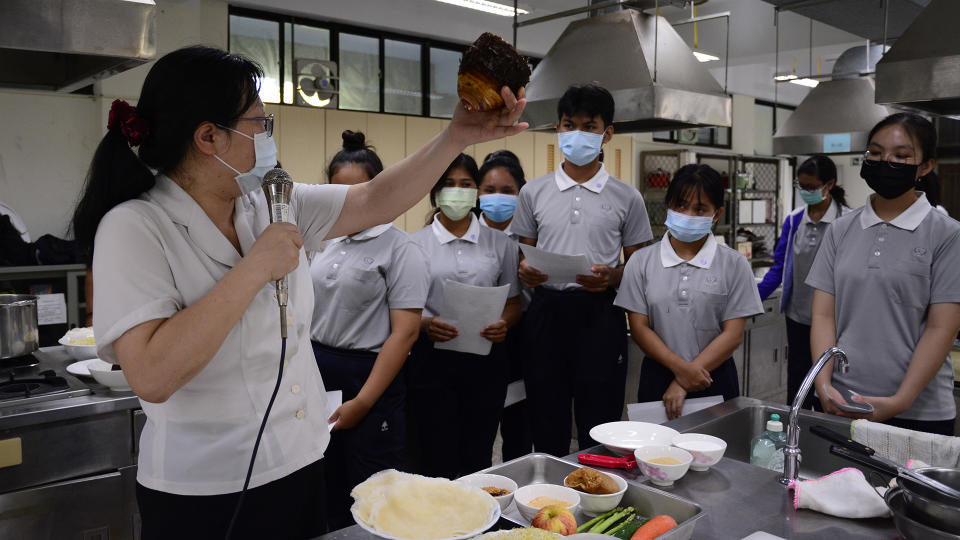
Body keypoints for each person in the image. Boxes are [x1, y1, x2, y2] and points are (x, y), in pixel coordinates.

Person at [71, 45, 526, 540]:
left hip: (300, 459)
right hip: (204, 489)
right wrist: (254, 269)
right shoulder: (136, 226)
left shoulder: (268, 200)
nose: (267, 139)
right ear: (208, 137)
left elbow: (375, 198)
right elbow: (153, 375)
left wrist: (456, 135)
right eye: (258, 124)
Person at [512, 84, 653, 456]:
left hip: (599, 313)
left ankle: (599, 494)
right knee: (546, 416)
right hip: (545, 312)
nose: (577, 134)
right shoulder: (533, 193)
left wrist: (612, 276)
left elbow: (638, 267)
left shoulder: (627, 197)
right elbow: (522, 255)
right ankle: (549, 497)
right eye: (568, 124)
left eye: (589, 126)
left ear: (608, 133)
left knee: (601, 420)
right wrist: (526, 271)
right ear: (557, 129)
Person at [807, 113, 960, 436]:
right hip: (842, 401)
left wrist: (901, 400)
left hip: (920, 411)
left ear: (926, 166)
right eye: (875, 153)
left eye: (901, 156)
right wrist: (823, 385)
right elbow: (823, 316)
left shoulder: (947, 234)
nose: (885, 162)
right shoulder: (841, 230)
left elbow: (941, 327)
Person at [309, 131, 428, 530]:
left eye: (358, 191)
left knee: (371, 495)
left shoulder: (400, 248)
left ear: (379, 191)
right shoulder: (324, 242)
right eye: (337, 193)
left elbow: (405, 334)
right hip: (318, 374)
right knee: (323, 484)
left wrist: (362, 401)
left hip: (370, 378)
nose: (348, 203)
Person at [615, 165, 763, 419]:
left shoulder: (734, 263)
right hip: (658, 378)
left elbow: (733, 333)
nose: (688, 214)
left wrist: (685, 379)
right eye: (680, 205)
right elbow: (639, 327)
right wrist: (681, 370)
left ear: (717, 214)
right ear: (667, 206)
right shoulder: (641, 262)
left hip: (713, 378)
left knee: (715, 455)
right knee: (656, 455)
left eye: (700, 209)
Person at [407, 154, 522, 479]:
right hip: (432, 361)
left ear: (476, 191)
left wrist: (504, 324)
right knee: (434, 451)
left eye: (466, 184)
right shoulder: (414, 245)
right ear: (435, 192)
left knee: (478, 452)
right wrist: (427, 324)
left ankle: (475, 521)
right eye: (448, 185)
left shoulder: (500, 244)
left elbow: (514, 303)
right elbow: (401, 310)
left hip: (486, 360)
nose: (457, 192)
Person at [757, 155, 851, 408]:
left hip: (836, 320)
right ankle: (794, 432)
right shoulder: (795, 220)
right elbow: (779, 268)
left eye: (811, 187)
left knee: (829, 384)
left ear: (829, 185)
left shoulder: (847, 222)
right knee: (798, 383)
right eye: (802, 186)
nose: (806, 192)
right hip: (797, 317)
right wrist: (751, 299)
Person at [477, 150, 531, 460]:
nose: (498, 198)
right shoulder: (462, 230)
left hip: (521, 341)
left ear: (521, 193)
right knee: (477, 431)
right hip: (472, 338)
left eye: (508, 191)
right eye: (490, 190)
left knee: (518, 428)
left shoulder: (531, 236)